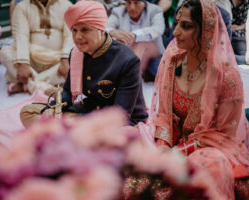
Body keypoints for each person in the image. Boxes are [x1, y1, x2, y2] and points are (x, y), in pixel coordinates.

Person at [140, 0, 249, 199]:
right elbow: (163, 115)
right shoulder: (172, 62)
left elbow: (224, 136)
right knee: (132, 138)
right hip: (175, 140)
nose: (176, 33)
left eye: (186, 26)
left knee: (208, 163)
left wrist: (181, 151)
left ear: (206, 31)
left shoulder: (227, 76)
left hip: (213, 149)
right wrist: (163, 147)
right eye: (177, 24)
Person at [20, 0, 148, 127]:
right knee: (28, 112)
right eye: (74, 30)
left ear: (101, 29)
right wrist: (52, 108)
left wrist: (75, 121)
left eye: (85, 30)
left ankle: (61, 134)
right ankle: (63, 134)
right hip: (87, 110)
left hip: (114, 122)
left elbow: (120, 116)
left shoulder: (128, 61)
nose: (77, 37)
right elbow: (68, 92)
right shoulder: (76, 54)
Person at [0, 0, 73, 95]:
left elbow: (70, 35)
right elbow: (21, 35)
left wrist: (65, 58)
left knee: (79, 60)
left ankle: (27, 84)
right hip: (31, 59)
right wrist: (23, 63)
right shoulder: (22, 7)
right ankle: (44, 88)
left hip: (58, 60)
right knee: (4, 52)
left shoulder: (66, 5)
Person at [106, 0, 165, 81]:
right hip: (127, 55)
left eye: (136, 3)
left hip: (153, 56)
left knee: (140, 43)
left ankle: (129, 77)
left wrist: (134, 35)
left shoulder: (155, 10)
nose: (132, 7)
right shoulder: (118, 11)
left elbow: (158, 29)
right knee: (116, 41)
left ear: (144, 3)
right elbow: (105, 28)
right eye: (129, 2)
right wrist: (113, 32)